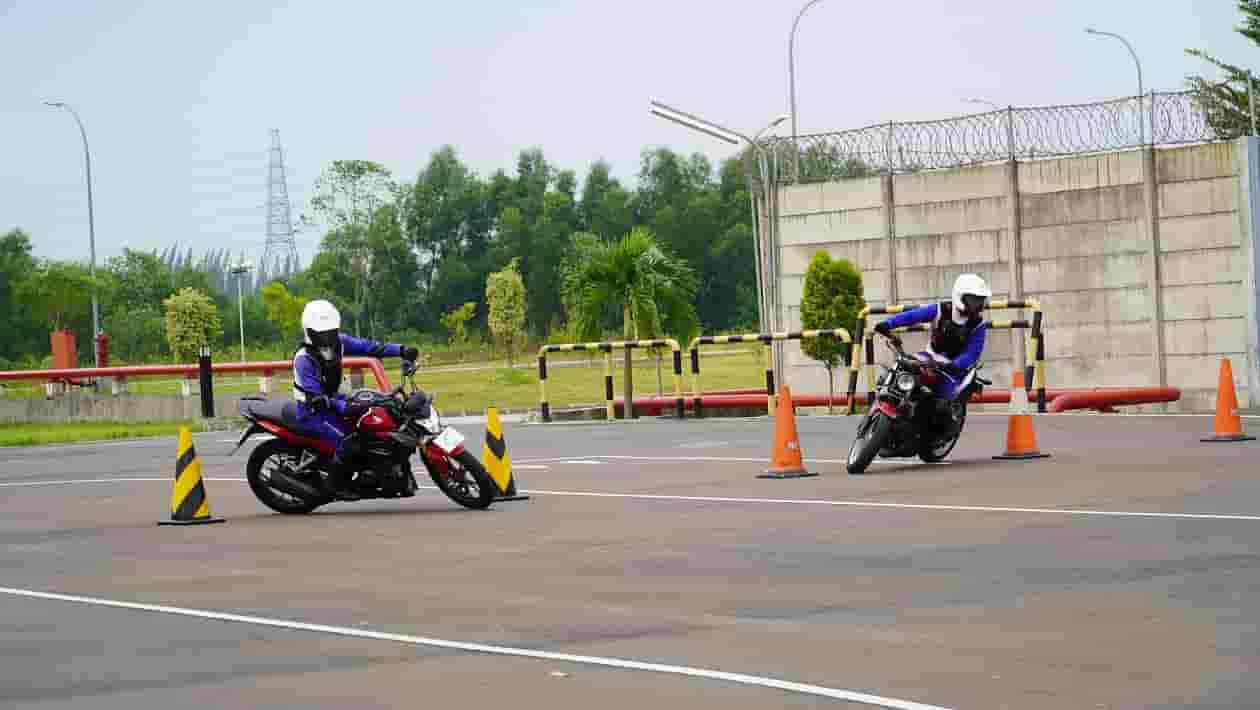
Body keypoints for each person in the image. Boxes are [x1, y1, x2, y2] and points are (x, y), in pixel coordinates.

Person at [292, 299, 419, 500]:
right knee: (350, 441)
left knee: (376, 422)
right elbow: (315, 396)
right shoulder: (304, 359)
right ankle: (336, 485)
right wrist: (343, 405)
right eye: (321, 332)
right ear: (309, 331)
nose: (327, 336)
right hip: (313, 411)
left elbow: (370, 347)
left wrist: (401, 350)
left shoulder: (339, 343)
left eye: (330, 331)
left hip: (336, 399)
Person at [872, 273, 992, 436]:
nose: (977, 305)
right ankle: (893, 406)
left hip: (952, 368)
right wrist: (888, 324)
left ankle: (933, 435)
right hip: (929, 356)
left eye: (980, 301)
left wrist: (954, 364)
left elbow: (972, 353)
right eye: (973, 300)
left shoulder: (979, 325)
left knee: (942, 406)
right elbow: (914, 316)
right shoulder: (941, 310)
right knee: (902, 368)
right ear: (959, 297)